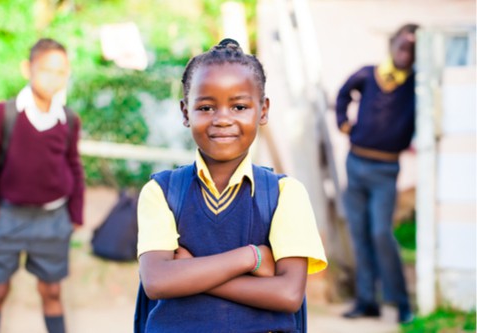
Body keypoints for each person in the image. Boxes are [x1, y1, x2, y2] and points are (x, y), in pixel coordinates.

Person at [136, 38, 327, 332]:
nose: (223, 119)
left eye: (239, 106)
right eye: (206, 107)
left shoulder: (284, 194)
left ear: (262, 110)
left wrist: (190, 273)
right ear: (186, 113)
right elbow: (158, 282)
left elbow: (289, 294)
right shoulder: (162, 192)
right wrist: (251, 257)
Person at [0, 38, 84, 333]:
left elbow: (74, 164)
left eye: (61, 72)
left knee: (51, 292)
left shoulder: (69, 119)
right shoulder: (4, 113)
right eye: (46, 69)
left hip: (53, 219)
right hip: (8, 217)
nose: (54, 78)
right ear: (28, 68)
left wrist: (75, 215)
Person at [336, 23, 419, 324]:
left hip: (386, 169)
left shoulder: (416, 84)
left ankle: (401, 303)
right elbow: (344, 93)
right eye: (402, 45)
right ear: (392, 44)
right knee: (359, 234)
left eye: (412, 48)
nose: (405, 52)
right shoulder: (369, 74)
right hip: (355, 164)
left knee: (381, 233)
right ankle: (366, 301)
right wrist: (344, 123)